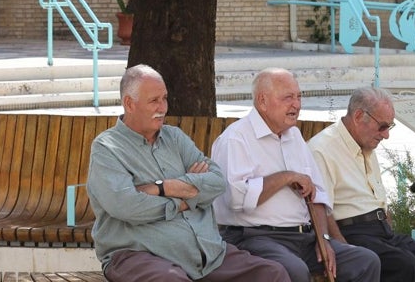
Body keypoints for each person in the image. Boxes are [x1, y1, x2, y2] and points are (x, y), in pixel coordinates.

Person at [87, 64, 289, 282]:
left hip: (207, 255)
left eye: (164, 98)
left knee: (272, 274)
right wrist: (186, 200)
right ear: (129, 103)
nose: (163, 107)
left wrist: (164, 188)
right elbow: (126, 205)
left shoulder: (174, 137)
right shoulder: (107, 148)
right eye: (154, 100)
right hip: (138, 256)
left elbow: (216, 181)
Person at [211, 67, 380, 282]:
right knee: (295, 270)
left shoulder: (294, 136)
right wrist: (286, 177)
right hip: (255, 238)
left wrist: (323, 239)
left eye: (299, 97)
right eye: (288, 98)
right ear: (262, 101)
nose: (297, 105)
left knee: (364, 261)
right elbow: (238, 199)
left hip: (304, 237)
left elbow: (316, 195)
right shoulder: (236, 139)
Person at [308, 86, 415, 282]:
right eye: (382, 126)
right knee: (402, 263)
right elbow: (322, 209)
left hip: (381, 232)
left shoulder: (366, 143)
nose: (386, 135)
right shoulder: (322, 149)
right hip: (351, 232)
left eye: (389, 127)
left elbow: (377, 198)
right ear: (358, 116)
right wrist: (345, 249)